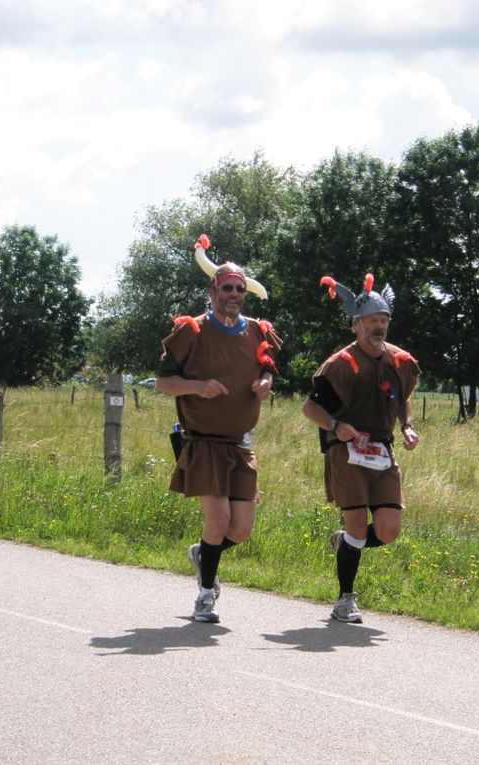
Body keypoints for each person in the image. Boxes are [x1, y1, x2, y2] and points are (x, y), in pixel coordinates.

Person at [156, 234, 281, 623]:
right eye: (226, 287)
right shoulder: (192, 331)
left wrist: (265, 383)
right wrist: (197, 387)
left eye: (240, 288)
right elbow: (163, 382)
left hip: (240, 444)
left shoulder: (258, 332)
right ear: (213, 290)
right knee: (219, 520)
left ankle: (202, 554)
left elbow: (266, 367)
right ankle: (205, 596)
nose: (234, 293)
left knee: (240, 529)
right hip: (202, 442)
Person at [301, 273, 420, 623]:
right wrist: (337, 425)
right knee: (356, 527)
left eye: (383, 320)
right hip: (347, 453)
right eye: (371, 320)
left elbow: (404, 400)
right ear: (357, 325)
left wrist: (408, 426)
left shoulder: (399, 361)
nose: (378, 326)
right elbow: (310, 408)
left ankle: (345, 546)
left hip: (382, 451)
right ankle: (345, 600)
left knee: (388, 529)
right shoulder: (340, 364)